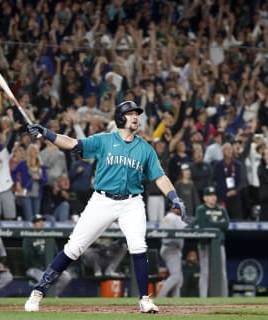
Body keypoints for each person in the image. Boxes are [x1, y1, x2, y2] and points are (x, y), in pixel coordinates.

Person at [24, 101, 185, 313]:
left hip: (131, 202)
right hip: (102, 200)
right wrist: (47, 133)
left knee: (138, 245)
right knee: (74, 248)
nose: (135, 117)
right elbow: (72, 143)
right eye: (130, 114)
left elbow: (160, 176)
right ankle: (38, 292)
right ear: (120, 118)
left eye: (137, 114)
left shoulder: (145, 148)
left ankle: (145, 299)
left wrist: (174, 196)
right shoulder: (104, 140)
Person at [23, 214, 72, 297]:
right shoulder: (28, 237)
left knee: (66, 276)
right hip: (34, 268)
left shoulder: (49, 236)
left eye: (42, 221)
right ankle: (45, 296)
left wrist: (54, 267)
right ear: (33, 224)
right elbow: (27, 256)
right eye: (38, 221)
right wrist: (40, 267)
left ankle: (53, 296)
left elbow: (56, 254)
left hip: (50, 268)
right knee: (44, 277)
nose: (41, 223)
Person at [194, 186, 230, 298]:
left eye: (214, 195)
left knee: (222, 272)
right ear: (205, 198)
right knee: (205, 272)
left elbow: (226, 225)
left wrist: (210, 222)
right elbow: (202, 225)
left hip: (219, 245)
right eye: (210, 195)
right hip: (205, 244)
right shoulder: (201, 209)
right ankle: (203, 298)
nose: (213, 197)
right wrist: (218, 223)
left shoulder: (221, 209)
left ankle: (224, 298)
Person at [157, 208, 187, 297]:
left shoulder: (165, 217)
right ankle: (160, 297)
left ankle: (175, 299)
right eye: (178, 208)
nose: (181, 210)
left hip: (166, 247)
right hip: (172, 248)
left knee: (179, 279)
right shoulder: (174, 217)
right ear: (172, 209)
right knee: (175, 276)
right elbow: (186, 228)